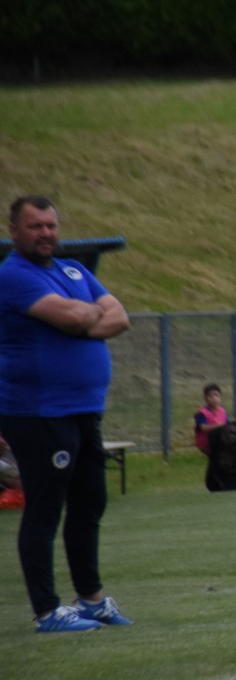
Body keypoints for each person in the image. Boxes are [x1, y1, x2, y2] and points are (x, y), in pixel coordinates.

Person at [0, 195, 133, 633]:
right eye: (35, 226)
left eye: (51, 225)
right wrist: (86, 316)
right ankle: (46, 611)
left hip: (84, 408)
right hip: (39, 411)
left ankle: (90, 599)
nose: (45, 233)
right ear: (14, 231)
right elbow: (74, 315)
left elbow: (118, 317)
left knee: (90, 501)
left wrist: (81, 319)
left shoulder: (73, 270)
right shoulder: (12, 275)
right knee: (44, 507)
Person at [194, 383, 228, 453]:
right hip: (207, 443)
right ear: (205, 398)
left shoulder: (222, 411)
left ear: (220, 398)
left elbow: (227, 424)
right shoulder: (202, 413)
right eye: (210, 396)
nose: (214, 398)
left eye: (216, 395)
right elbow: (203, 428)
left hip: (220, 440)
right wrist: (218, 425)